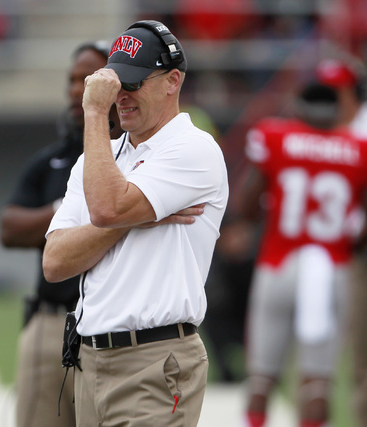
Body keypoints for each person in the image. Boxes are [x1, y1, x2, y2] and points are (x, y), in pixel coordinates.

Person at [43, 20, 229, 427]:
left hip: (154, 359)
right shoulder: (99, 157)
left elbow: (106, 208)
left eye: (133, 82)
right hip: (89, 358)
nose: (120, 96)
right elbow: (55, 261)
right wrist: (133, 220)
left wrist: (95, 112)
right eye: (114, 84)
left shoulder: (194, 147)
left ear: (172, 81)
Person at [237, 82, 367, 427]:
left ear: (300, 107)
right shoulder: (360, 147)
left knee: (261, 378)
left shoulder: (276, 137)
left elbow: (246, 207)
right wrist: (352, 246)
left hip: (278, 263)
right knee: (317, 384)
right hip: (330, 267)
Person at [0, 40, 120, 427]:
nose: (75, 90)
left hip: (117, 325)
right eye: (71, 80)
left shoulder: (137, 156)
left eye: (87, 79)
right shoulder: (52, 159)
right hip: (54, 321)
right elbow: (9, 229)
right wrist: (65, 210)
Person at [315, 57, 367, 427]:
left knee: (363, 354)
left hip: (361, 253)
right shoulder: (319, 126)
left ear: (353, 92)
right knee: (315, 348)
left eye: (336, 91)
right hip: (319, 251)